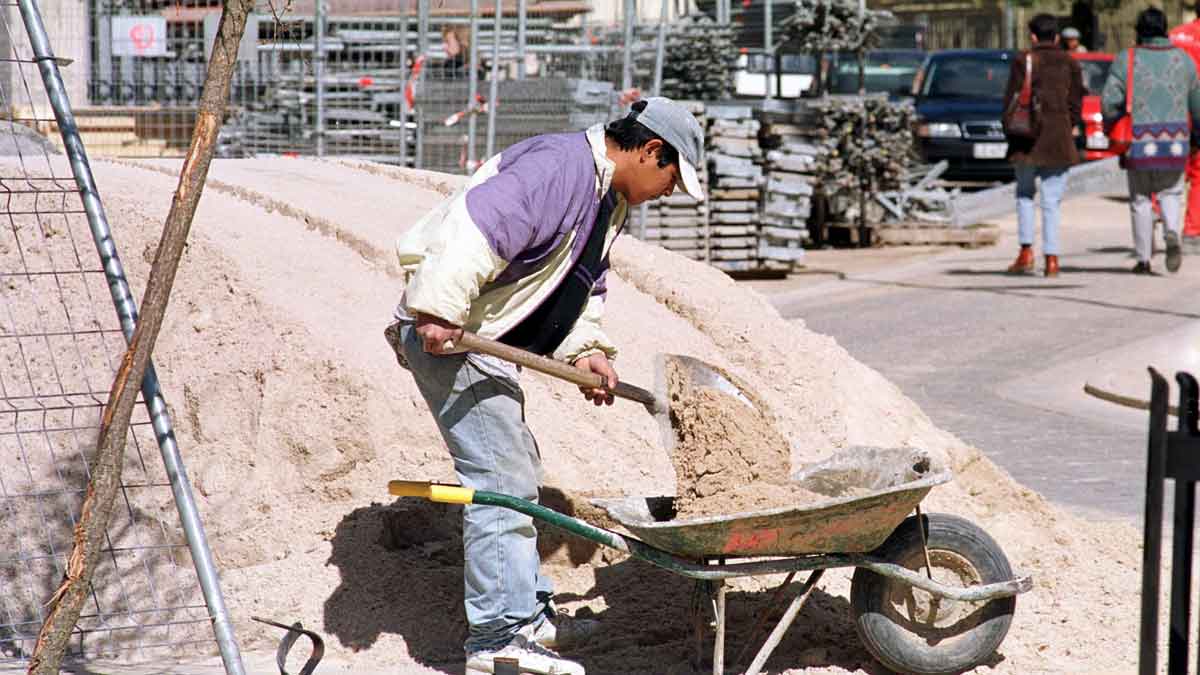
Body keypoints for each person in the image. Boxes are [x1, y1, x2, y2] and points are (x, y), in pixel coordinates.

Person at [385, 97, 706, 675]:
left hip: (487, 342)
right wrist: (436, 306)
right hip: (457, 339)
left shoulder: (605, 200)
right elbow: (475, 228)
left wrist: (588, 351)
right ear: (651, 151)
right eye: (670, 181)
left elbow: (580, 282)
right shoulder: (560, 170)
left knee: (519, 472)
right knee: (501, 481)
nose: (665, 194)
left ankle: (528, 616)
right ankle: (499, 637)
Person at [1102, 7, 1200, 274]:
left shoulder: (1127, 59)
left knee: (1141, 199)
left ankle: (1144, 260)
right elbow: (1197, 103)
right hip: (1177, 140)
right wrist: (1197, 136)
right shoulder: (1183, 60)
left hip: (1138, 141)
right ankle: (1172, 231)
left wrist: (1112, 124)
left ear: (1139, 31)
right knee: (1172, 192)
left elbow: (1109, 101)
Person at [1004, 14, 1084, 277]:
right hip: (1058, 140)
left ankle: (1026, 252)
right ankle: (1052, 259)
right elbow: (1075, 104)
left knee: (1025, 194)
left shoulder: (1023, 60)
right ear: (1058, 37)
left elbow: (1010, 100)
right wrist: (1067, 124)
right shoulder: (1070, 62)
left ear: (1033, 36)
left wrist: (1010, 131)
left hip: (1026, 140)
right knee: (1051, 200)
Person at [1171, 2, 1200, 252]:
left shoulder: (1175, 34)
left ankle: (1159, 211)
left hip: (1172, 110)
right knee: (1199, 173)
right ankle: (1191, 231)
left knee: (1168, 165)